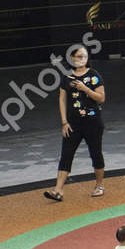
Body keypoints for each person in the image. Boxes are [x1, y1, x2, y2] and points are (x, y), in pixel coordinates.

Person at [43, 44, 106, 202]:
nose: (81, 59)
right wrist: (64, 122)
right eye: (78, 56)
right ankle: (58, 190)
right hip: (73, 123)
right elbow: (62, 99)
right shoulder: (67, 78)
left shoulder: (94, 75)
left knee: (95, 153)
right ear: (72, 58)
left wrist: (85, 89)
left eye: (84, 56)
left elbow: (101, 98)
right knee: (66, 155)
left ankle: (99, 185)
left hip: (92, 122)